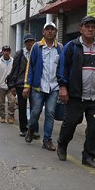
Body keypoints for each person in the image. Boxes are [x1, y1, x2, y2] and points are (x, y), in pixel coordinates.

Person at [56, 16, 95, 169]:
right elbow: (62, 68)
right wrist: (63, 87)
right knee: (70, 123)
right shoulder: (71, 46)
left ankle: (88, 156)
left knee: (94, 129)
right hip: (75, 95)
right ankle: (62, 145)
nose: (90, 29)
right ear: (80, 29)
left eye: (93, 26)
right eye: (87, 26)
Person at [24, 22, 63, 151]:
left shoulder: (60, 48)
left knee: (50, 113)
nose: (50, 31)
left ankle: (47, 140)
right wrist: (27, 85)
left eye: (52, 29)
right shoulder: (36, 47)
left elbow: (62, 68)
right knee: (35, 112)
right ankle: (31, 129)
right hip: (38, 87)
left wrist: (63, 85)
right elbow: (30, 67)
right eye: (48, 29)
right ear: (43, 31)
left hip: (54, 87)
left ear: (56, 32)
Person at [7, 34, 35, 137]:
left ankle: (33, 129)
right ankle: (23, 128)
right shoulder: (20, 53)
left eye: (31, 41)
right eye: (28, 41)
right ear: (25, 43)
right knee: (22, 107)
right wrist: (13, 85)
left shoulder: (36, 52)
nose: (30, 43)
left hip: (33, 84)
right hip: (20, 84)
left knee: (34, 108)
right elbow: (15, 70)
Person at [0, 46, 15, 123]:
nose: (6, 52)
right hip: (1, 84)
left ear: (10, 52)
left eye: (7, 50)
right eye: (4, 50)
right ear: (2, 52)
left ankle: (11, 116)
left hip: (11, 86)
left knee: (12, 101)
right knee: (1, 102)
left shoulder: (13, 61)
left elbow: (15, 73)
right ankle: (2, 116)